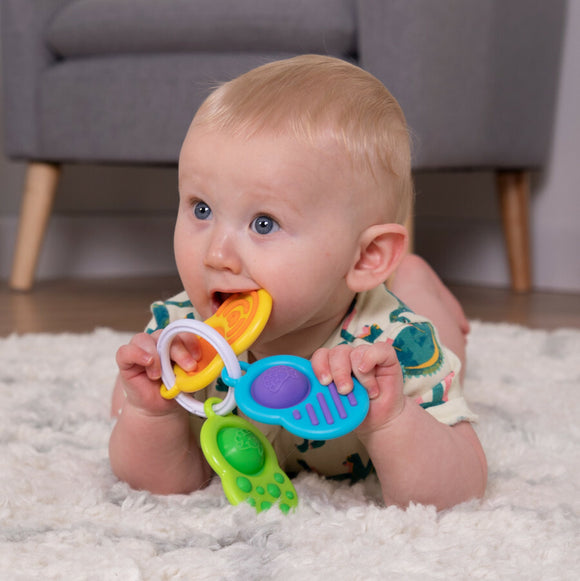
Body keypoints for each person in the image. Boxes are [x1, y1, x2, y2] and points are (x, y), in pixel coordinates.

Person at [109, 55, 487, 510]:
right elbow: (162, 485)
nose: (216, 255)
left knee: (449, 348)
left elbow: (462, 489)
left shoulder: (395, 347)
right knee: (122, 403)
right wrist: (153, 413)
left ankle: (414, 278)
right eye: (201, 209)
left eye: (264, 223)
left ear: (366, 256)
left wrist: (392, 419)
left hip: (381, 326)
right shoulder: (185, 341)